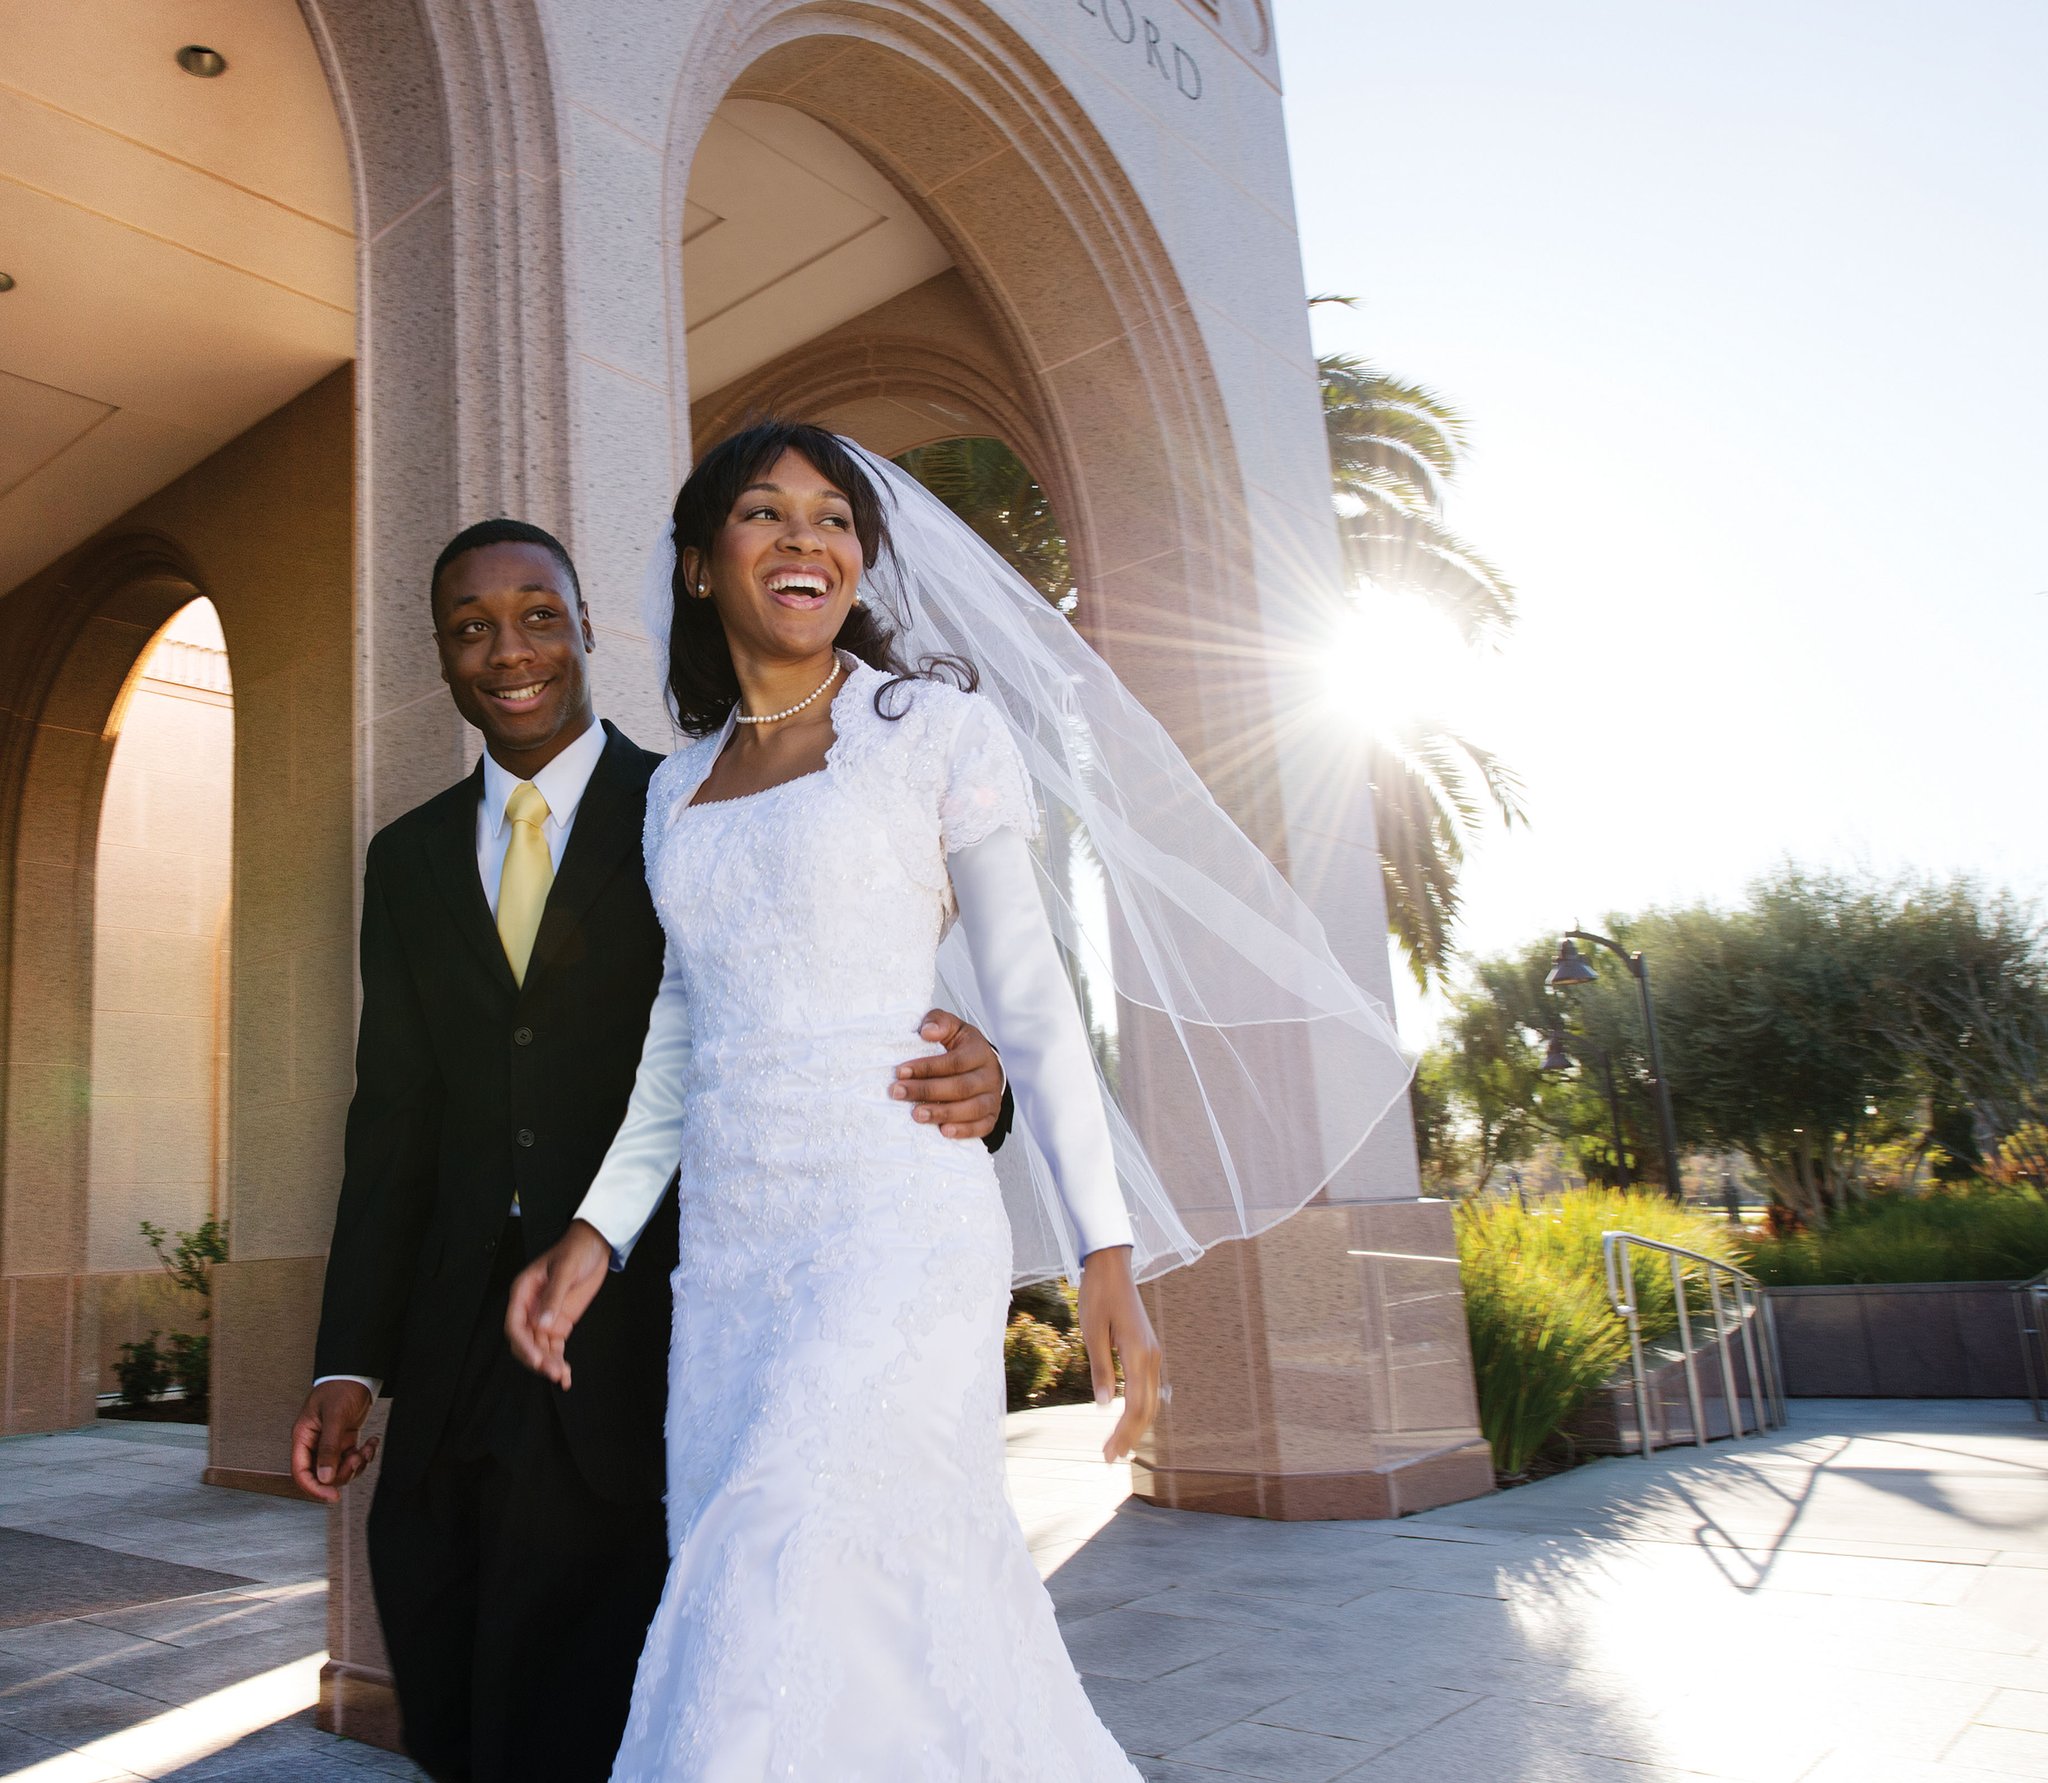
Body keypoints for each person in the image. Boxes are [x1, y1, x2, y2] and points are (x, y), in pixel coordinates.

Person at [287, 516, 1013, 1783]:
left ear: (581, 631)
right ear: (443, 657)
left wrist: (983, 1078)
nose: (507, 648)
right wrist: (348, 1358)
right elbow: (389, 1117)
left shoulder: (689, 804)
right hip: (453, 1354)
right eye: (471, 626)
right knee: (452, 1691)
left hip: (639, 1344)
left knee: (608, 1707)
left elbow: (836, 992)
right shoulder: (402, 861)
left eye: (536, 614)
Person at [505, 426, 1159, 1779]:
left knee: (779, 1549)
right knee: (857, 1614)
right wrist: (598, 1229)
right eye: (764, 511)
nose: (808, 537)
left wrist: (1104, 1243)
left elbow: (1029, 993)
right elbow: (683, 1032)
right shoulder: (673, 790)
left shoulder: (935, 731)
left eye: (833, 517)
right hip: (736, 1263)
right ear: (698, 565)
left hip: (896, 1222)